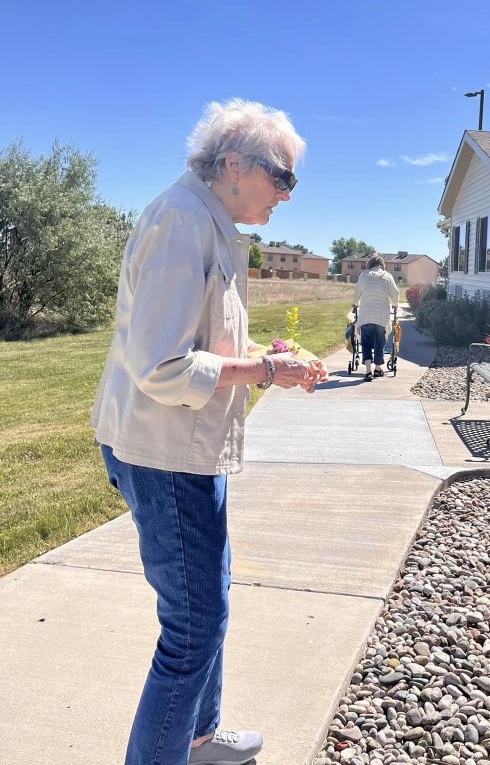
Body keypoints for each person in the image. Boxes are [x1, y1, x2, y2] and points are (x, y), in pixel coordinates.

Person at [90, 99, 328, 765]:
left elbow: (201, 338)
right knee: (193, 630)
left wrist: (269, 355)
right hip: (163, 453)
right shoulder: (182, 222)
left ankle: (198, 738)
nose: (287, 193)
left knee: (209, 605)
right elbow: (160, 366)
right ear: (233, 164)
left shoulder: (212, 224)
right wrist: (265, 370)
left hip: (188, 450)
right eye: (283, 176)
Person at [352, 254, 399, 381]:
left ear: (370, 264)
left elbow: (356, 292)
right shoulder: (387, 276)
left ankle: (368, 371)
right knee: (380, 342)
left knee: (366, 342)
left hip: (366, 314)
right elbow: (395, 293)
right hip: (381, 316)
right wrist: (395, 304)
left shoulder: (363, 276)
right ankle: (378, 369)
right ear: (382, 265)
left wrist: (355, 304)